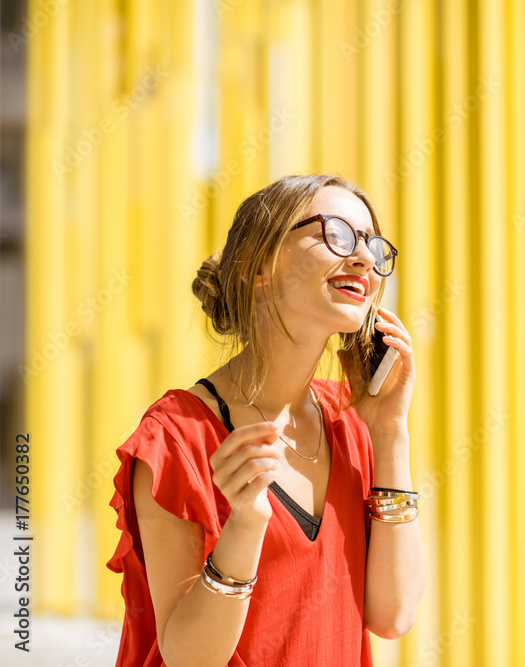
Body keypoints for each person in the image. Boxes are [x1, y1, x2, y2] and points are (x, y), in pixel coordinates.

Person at [106, 174, 425, 666]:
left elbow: (394, 616)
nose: (363, 257)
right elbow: (190, 657)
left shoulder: (356, 422)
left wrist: (391, 432)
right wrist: (246, 525)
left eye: (372, 243)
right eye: (336, 234)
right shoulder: (175, 439)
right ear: (259, 266)